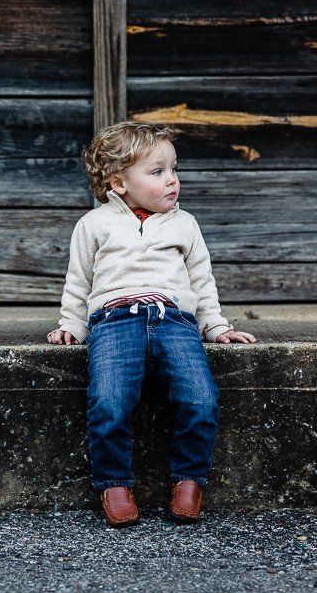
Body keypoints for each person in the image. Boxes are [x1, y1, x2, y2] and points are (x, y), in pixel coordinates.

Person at [46, 121, 256, 527]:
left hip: (174, 320)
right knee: (109, 402)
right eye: (157, 172)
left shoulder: (184, 224)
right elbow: (79, 281)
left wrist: (215, 325)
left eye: (174, 169)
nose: (172, 181)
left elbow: (201, 280)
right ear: (119, 183)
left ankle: (189, 481)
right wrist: (72, 323)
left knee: (200, 399)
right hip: (114, 321)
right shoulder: (94, 225)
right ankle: (114, 484)